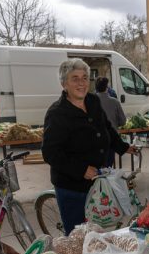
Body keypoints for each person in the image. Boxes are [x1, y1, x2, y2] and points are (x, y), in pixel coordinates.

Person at [41, 59, 137, 235]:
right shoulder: (57, 113)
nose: (81, 83)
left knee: (99, 231)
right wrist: (81, 170)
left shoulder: (93, 101)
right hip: (72, 187)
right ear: (64, 84)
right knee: (78, 236)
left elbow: (106, 127)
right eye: (75, 78)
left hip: (98, 182)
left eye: (85, 78)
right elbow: (50, 153)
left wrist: (123, 147)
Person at [96, 76, 127, 166]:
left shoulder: (90, 101)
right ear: (107, 88)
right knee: (108, 166)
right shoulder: (115, 102)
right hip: (111, 138)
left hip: (95, 140)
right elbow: (123, 121)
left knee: (97, 166)